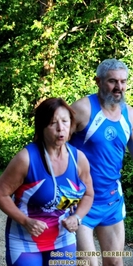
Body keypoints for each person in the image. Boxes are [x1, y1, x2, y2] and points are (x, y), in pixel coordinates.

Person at [0, 97, 94, 266]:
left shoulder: (79, 159)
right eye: (53, 123)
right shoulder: (26, 159)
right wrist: (25, 221)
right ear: (42, 126)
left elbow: (89, 194)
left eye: (65, 122)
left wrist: (77, 217)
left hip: (62, 238)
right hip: (25, 239)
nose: (61, 128)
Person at [69, 58, 133, 266]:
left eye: (123, 82)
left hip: (111, 201)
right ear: (98, 81)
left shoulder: (130, 115)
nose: (119, 87)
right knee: (89, 264)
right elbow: (53, 147)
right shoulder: (82, 109)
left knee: (115, 262)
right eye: (113, 81)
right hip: (80, 201)